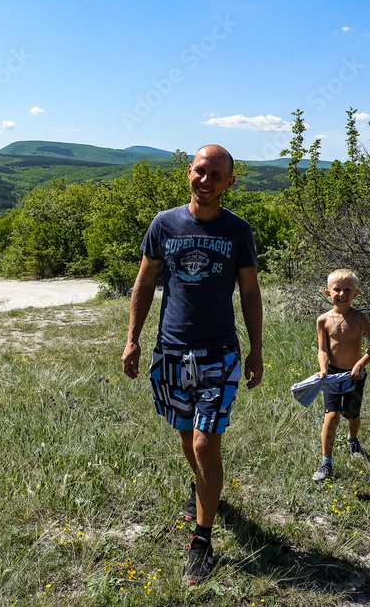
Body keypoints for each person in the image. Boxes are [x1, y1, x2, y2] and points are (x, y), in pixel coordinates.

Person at [121, 144, 264, 585]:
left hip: (219, 353)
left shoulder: (238, 231)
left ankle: (202, 541)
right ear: (189, 172)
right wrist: (132, 340)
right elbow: (145, 281)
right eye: (201, 171)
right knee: (186, 435)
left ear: (229, 183)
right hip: (171, 350)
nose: (207, 180)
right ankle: (201, 488)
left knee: (205, 443)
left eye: (216, 175)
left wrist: (256, 349)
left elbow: (250, 293)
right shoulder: (164, 224)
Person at [312, 269, 370, 481]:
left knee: (352, 414)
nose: (342, 294)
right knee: (331, 416)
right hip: (333, 376)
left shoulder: (359, 318)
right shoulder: (323, 320)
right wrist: (324, 368)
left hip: (354, 376)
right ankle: (326, 462)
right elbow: (323, 349)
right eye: (337, 289)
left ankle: (352, 438)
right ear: (328, 292)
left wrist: (361, 364)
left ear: (355, 294)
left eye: (347, 290)